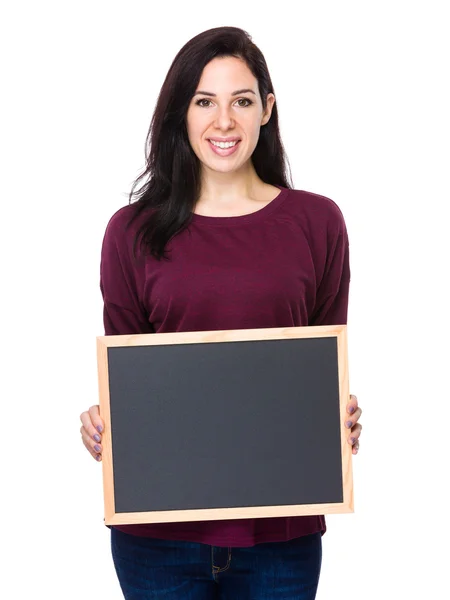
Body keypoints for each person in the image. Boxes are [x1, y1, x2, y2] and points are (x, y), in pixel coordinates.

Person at [80, 25, 362, 600]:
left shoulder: (317, 223)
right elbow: (131, 368)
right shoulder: (130, 232)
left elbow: (322, 357)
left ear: (267, 109)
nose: (224, 121)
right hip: (157, 535)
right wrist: (106, 421)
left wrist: (338, 412)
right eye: (204, 101)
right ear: (181, 113)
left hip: (281, 534)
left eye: (242, 100)